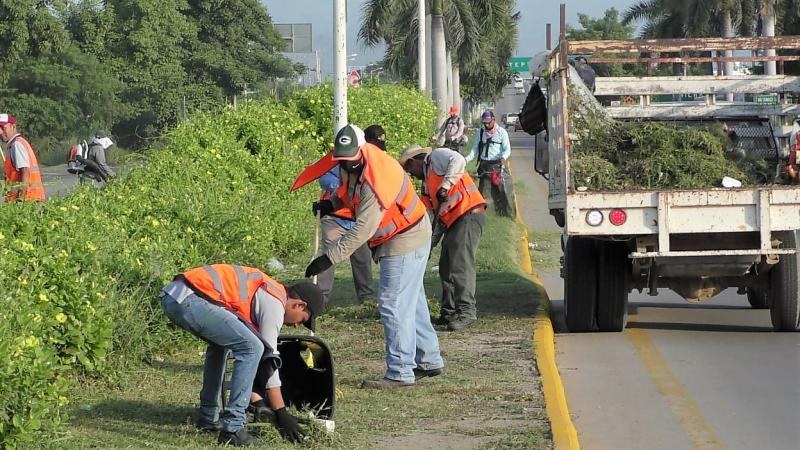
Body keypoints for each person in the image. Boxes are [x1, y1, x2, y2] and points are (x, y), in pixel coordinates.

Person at [303, 124, 445, 389]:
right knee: (411, 302)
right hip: (405, 235)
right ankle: (428, 359)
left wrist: (329, 258)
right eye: (342, 160)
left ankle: (401, 371)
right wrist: (331, 203)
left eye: (351, 159)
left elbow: (362, 229)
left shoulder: (378, 175)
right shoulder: (351, 164)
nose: (347, 164)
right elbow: (348, 194)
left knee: (392, 303)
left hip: (404, 239)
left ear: (362, 149)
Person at [160, 264, 324, 446]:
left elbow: (257, 365)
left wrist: (258, 401)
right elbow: (268, 360)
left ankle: (209, 418)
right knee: (252, 347)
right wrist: (281, 412)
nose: (295, 326)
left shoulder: (269, 290)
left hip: (177, 295)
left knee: (221, 345)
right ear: (299, 304)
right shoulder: (274, 304)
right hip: (190, 298)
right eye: (302, 320)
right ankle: (233, 428)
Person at [400, 145, 486, 331]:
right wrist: (426, 246)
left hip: (468, 214)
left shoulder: (436, 158)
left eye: (409, 170)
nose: (412, 175)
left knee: (460, 265)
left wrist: (445, 186)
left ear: (413, 162)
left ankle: (466, 312)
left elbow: (459, 161)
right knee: (446, 266)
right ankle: (449, 312)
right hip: (454, 221)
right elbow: (431, 220)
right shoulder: (426, 186)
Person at [316, 167, 376, 306]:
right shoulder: (335, 162)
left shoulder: (366, 164)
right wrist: (344, 187)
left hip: (357, 222)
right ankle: (320, 298)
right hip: (334, 219)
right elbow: (324, 179)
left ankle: (366, 299)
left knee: (363, 260)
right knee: (328, 257)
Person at [466, 110, 516, 217]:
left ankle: (509, 216)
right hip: (485, 166)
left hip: (498, 165)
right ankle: (484, 217)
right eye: (484, 123)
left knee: (505, 192)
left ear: (494, 120)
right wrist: (464, 160)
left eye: (488, 122)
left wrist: (503, 158)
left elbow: (507, 149)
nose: (487, 125)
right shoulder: (480, 132)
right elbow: (474, 150)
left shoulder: (502, 132)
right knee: (484, 194)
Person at [0, 114, 45, 202]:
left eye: (3, 128)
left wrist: (20, 198)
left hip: (28, 199)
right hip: (30, 198)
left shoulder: (17, 144)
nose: (0, 132)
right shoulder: (15, 144)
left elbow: (25, 171)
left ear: (13, 126)